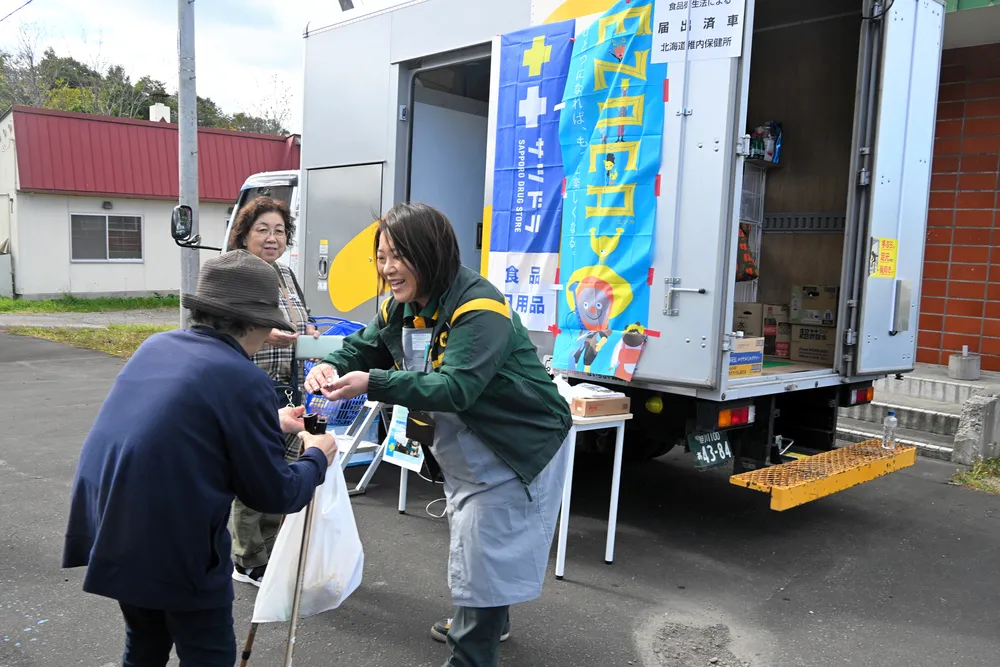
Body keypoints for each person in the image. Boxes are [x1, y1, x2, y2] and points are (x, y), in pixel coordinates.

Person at [305, 202, 572, 667]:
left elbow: (458, 386)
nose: (386, 269)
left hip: (515, 444)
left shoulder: (479, 307)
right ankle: (489, 618)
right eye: (381, 256)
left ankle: (472, 648)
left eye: (397, 256)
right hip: (469, 444)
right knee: (482, 549)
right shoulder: (403, 304)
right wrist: (334, 364)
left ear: (431, 254)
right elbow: (364, 346)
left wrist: (375, 382)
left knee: (484, 549)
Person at [62, 250, 338, 667]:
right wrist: (317, 456)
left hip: (113, 522)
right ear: (258, 322)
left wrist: (270, 421)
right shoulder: (244, 378)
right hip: (175, 540)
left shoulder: (157, 346)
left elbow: (183, 426)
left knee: (145, 644)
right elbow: (274, 493)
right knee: (209, 655)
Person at [225, 195, 321, 586]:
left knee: (279, 464)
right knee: (251, 467)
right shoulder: (233, 272)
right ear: (244, 234)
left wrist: (310, 331)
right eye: (262, 229)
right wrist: (267, 338)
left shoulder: (285, 274)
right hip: (248, 382)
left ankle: (272, 547)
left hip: (288, 384)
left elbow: (302, 316)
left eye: (279, 230)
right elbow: (222, 329)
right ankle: (248, 559)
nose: (271, 237)